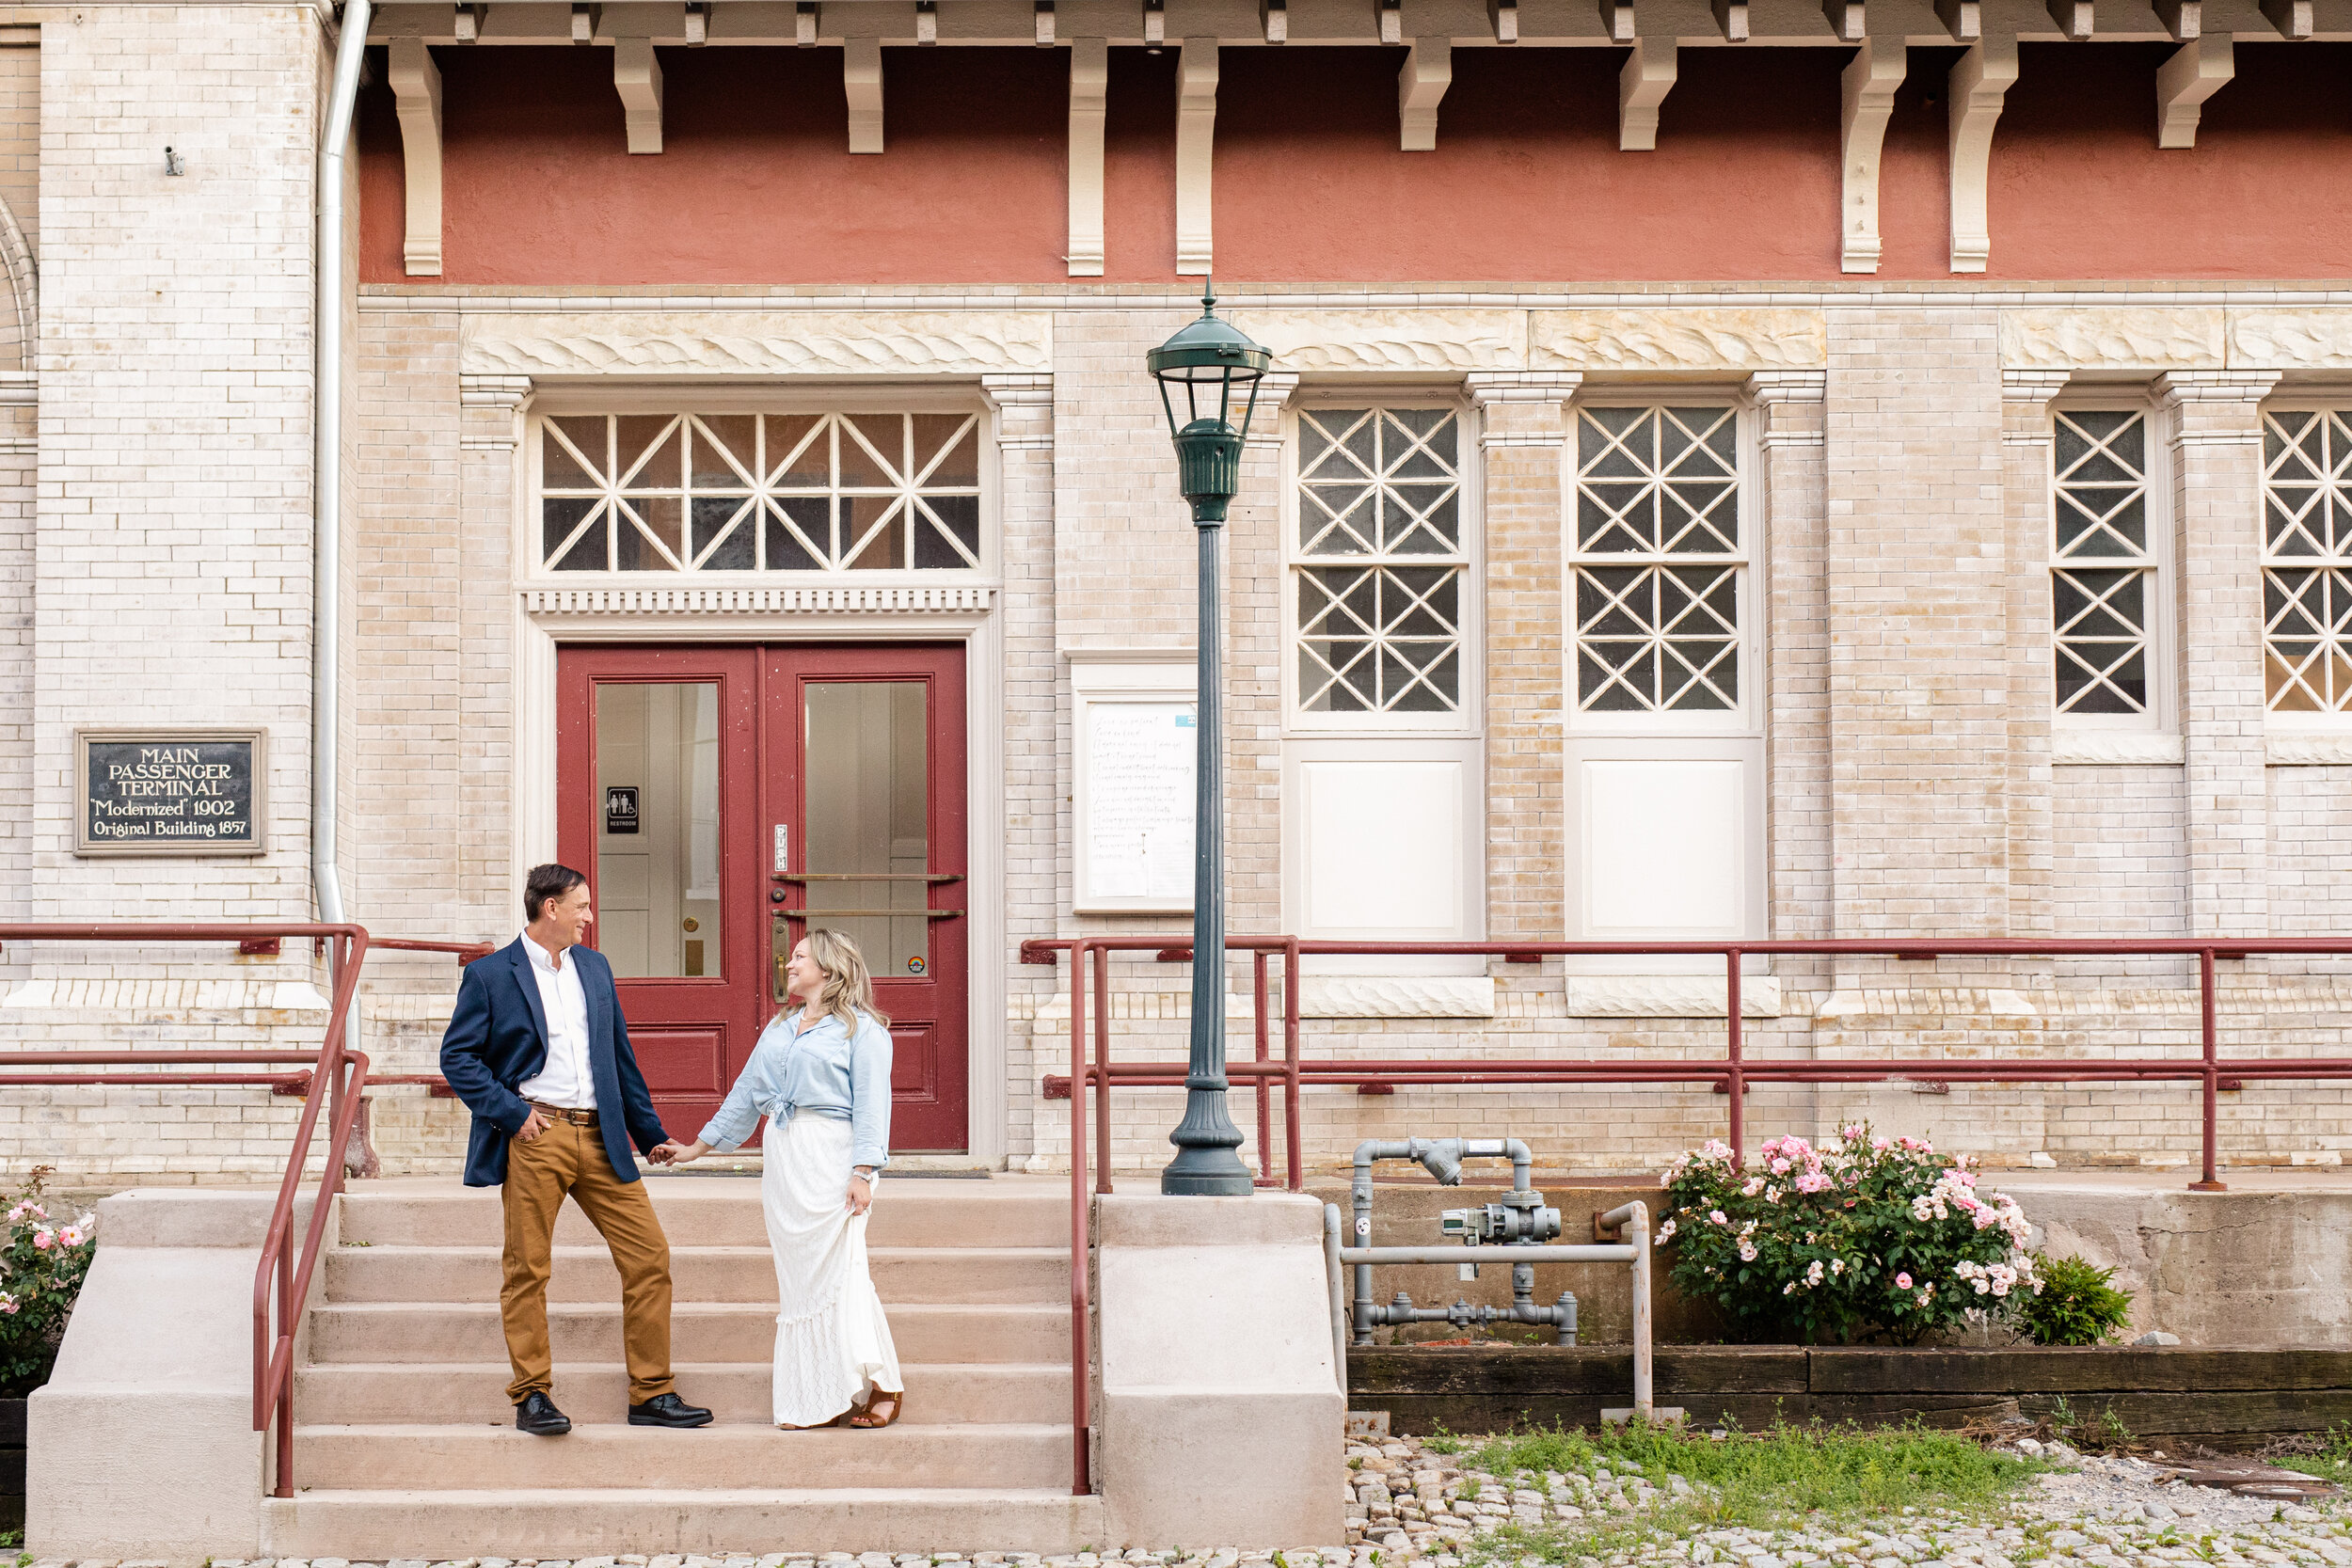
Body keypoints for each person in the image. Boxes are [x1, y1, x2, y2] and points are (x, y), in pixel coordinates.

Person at [438, 863, 713, 1437]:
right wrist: (515, 1116)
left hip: (602, 1135)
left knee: (648, 1257)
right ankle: (532, 1395)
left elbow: (619, 1058)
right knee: (528, 1269)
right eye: (582, 906)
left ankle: (652, 1392)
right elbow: (458, 1059)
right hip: (538, 1136)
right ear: (550, 908)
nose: (590, 917)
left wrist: (649, 1133)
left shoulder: (594, 967)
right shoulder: (490, 975)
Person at [666, 928, 903, 1430]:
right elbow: (744, 1093)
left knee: (842, 1273)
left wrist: (863, 1171)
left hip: (835, 1159)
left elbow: (873, 1108)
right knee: (800, 1287)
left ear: (830, 969)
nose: (789, 964)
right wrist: (696, 1148)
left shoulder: (863, 1030)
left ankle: (884, 1385)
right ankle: (816, 1397)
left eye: (800, 957)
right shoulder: (782, 1026)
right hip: (786, 1160)